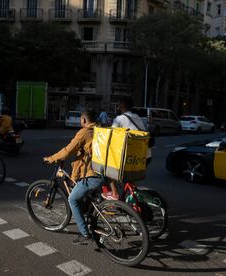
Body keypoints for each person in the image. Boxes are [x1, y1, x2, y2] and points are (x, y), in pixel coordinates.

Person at [44, 110, 102, 245]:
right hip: (104, 172)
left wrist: (51, 158)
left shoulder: (84, 132)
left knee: (72, 199)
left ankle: (84, 233)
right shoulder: (100, 129)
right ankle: (92, 223)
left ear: (84, 120)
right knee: (85, 197)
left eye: (81, 120)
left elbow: (68, 150)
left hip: (92, 175)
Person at [106, 98, 151, 200]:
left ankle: (114, 194)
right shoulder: (137, 117)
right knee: (130, 175)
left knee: (107, 171)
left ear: (122, 106)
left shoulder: (120, 119)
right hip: (143, 156)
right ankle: (131, 195)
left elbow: (111, 136)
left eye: (119, 105)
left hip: (131, 156)